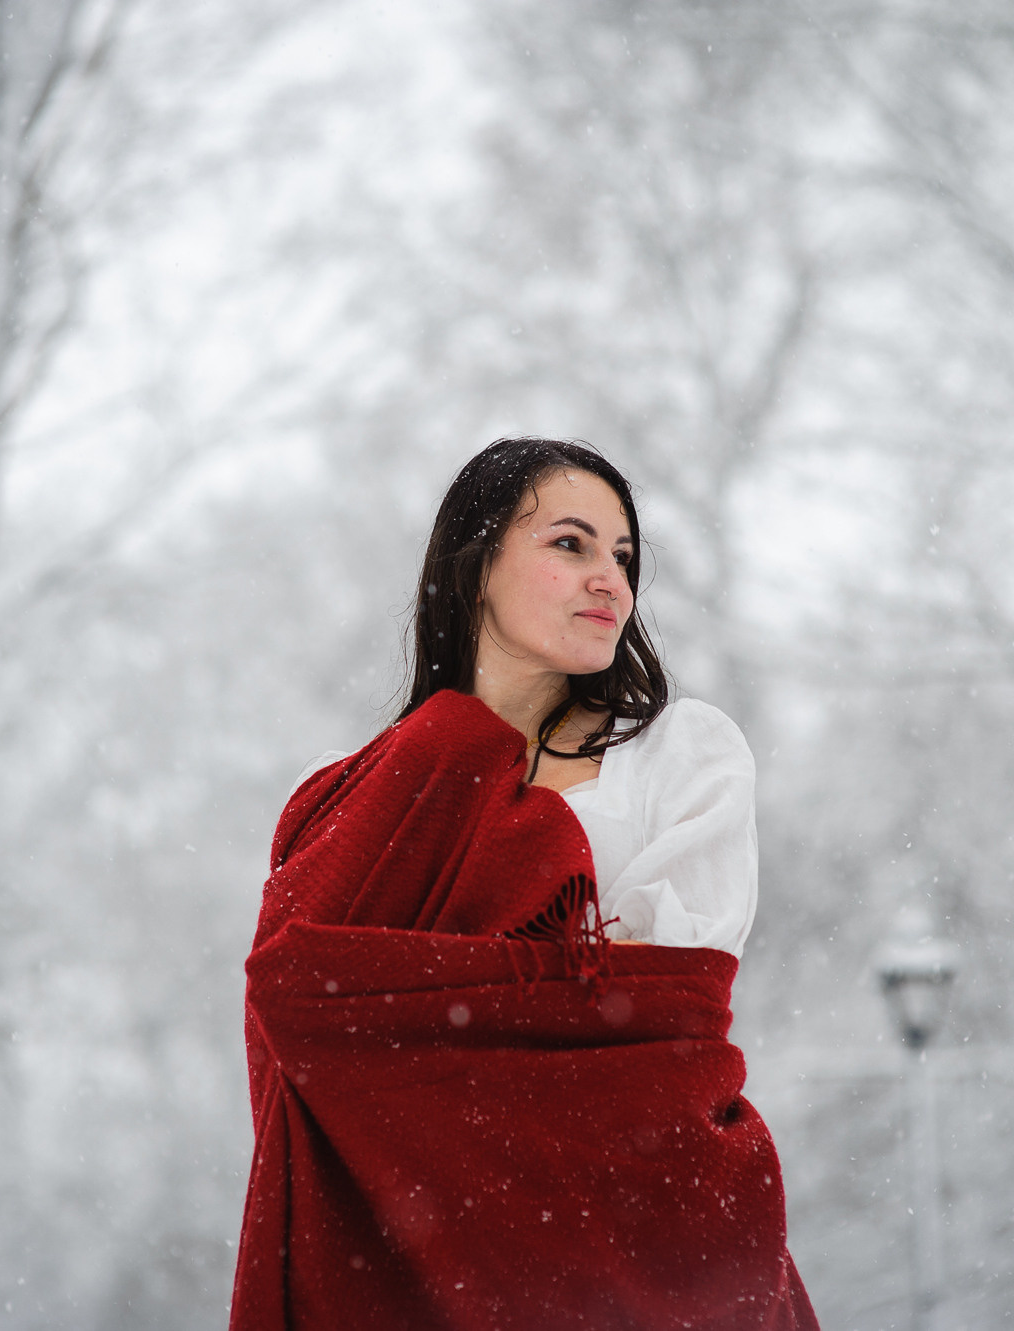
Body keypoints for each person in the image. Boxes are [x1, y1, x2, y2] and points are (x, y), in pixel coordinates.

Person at [231, 438, 819, 1330]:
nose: (611, 581)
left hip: (655, 1251)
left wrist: (433, 1031)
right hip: (403, 1266)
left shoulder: (678, 759)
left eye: (623, 558)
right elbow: (303, 1030)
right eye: (571, 545)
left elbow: (664, 1035)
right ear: (476, 568)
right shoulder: (346, 791)